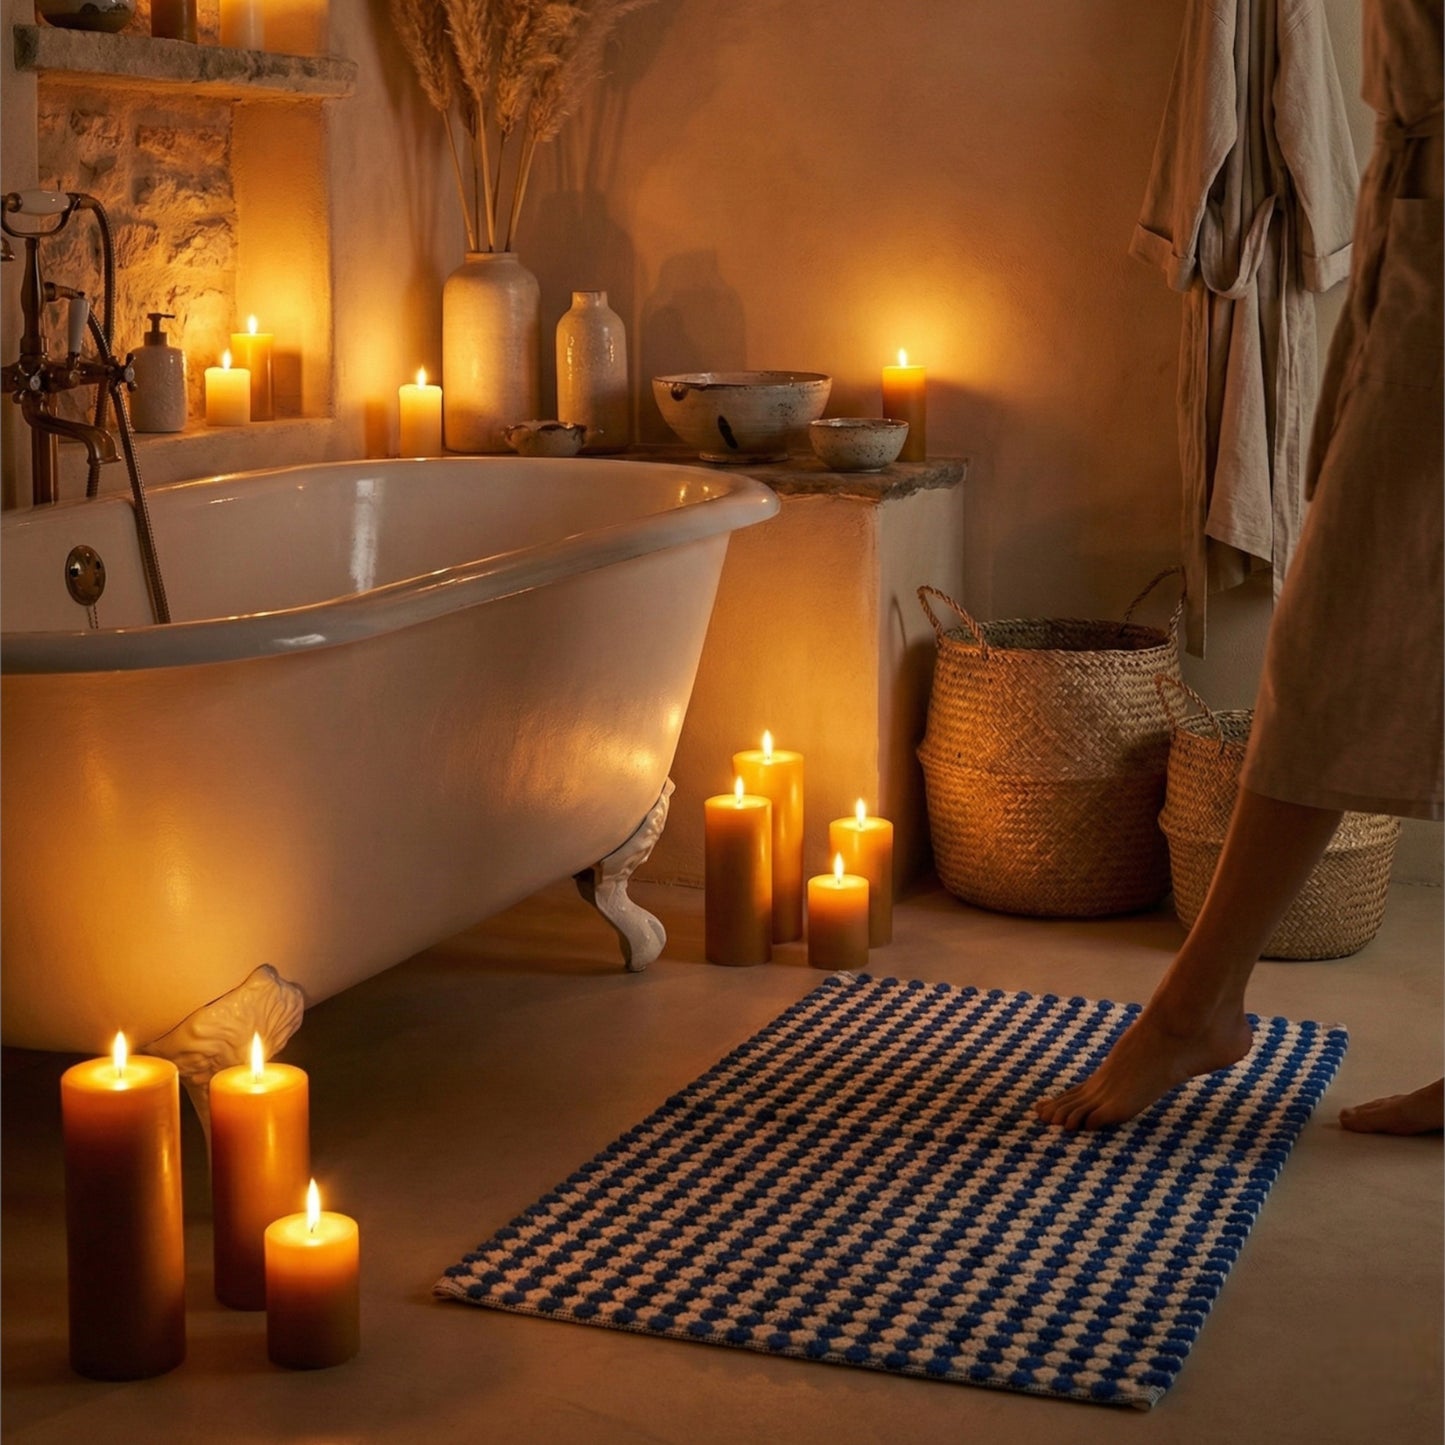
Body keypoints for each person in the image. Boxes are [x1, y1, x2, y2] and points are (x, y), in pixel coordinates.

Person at [1037, 0, 1443, 1134]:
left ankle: (1196, 1002)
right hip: (1421, 213)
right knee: (1345, 620)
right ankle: (1200, 999)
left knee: (1331, 630)